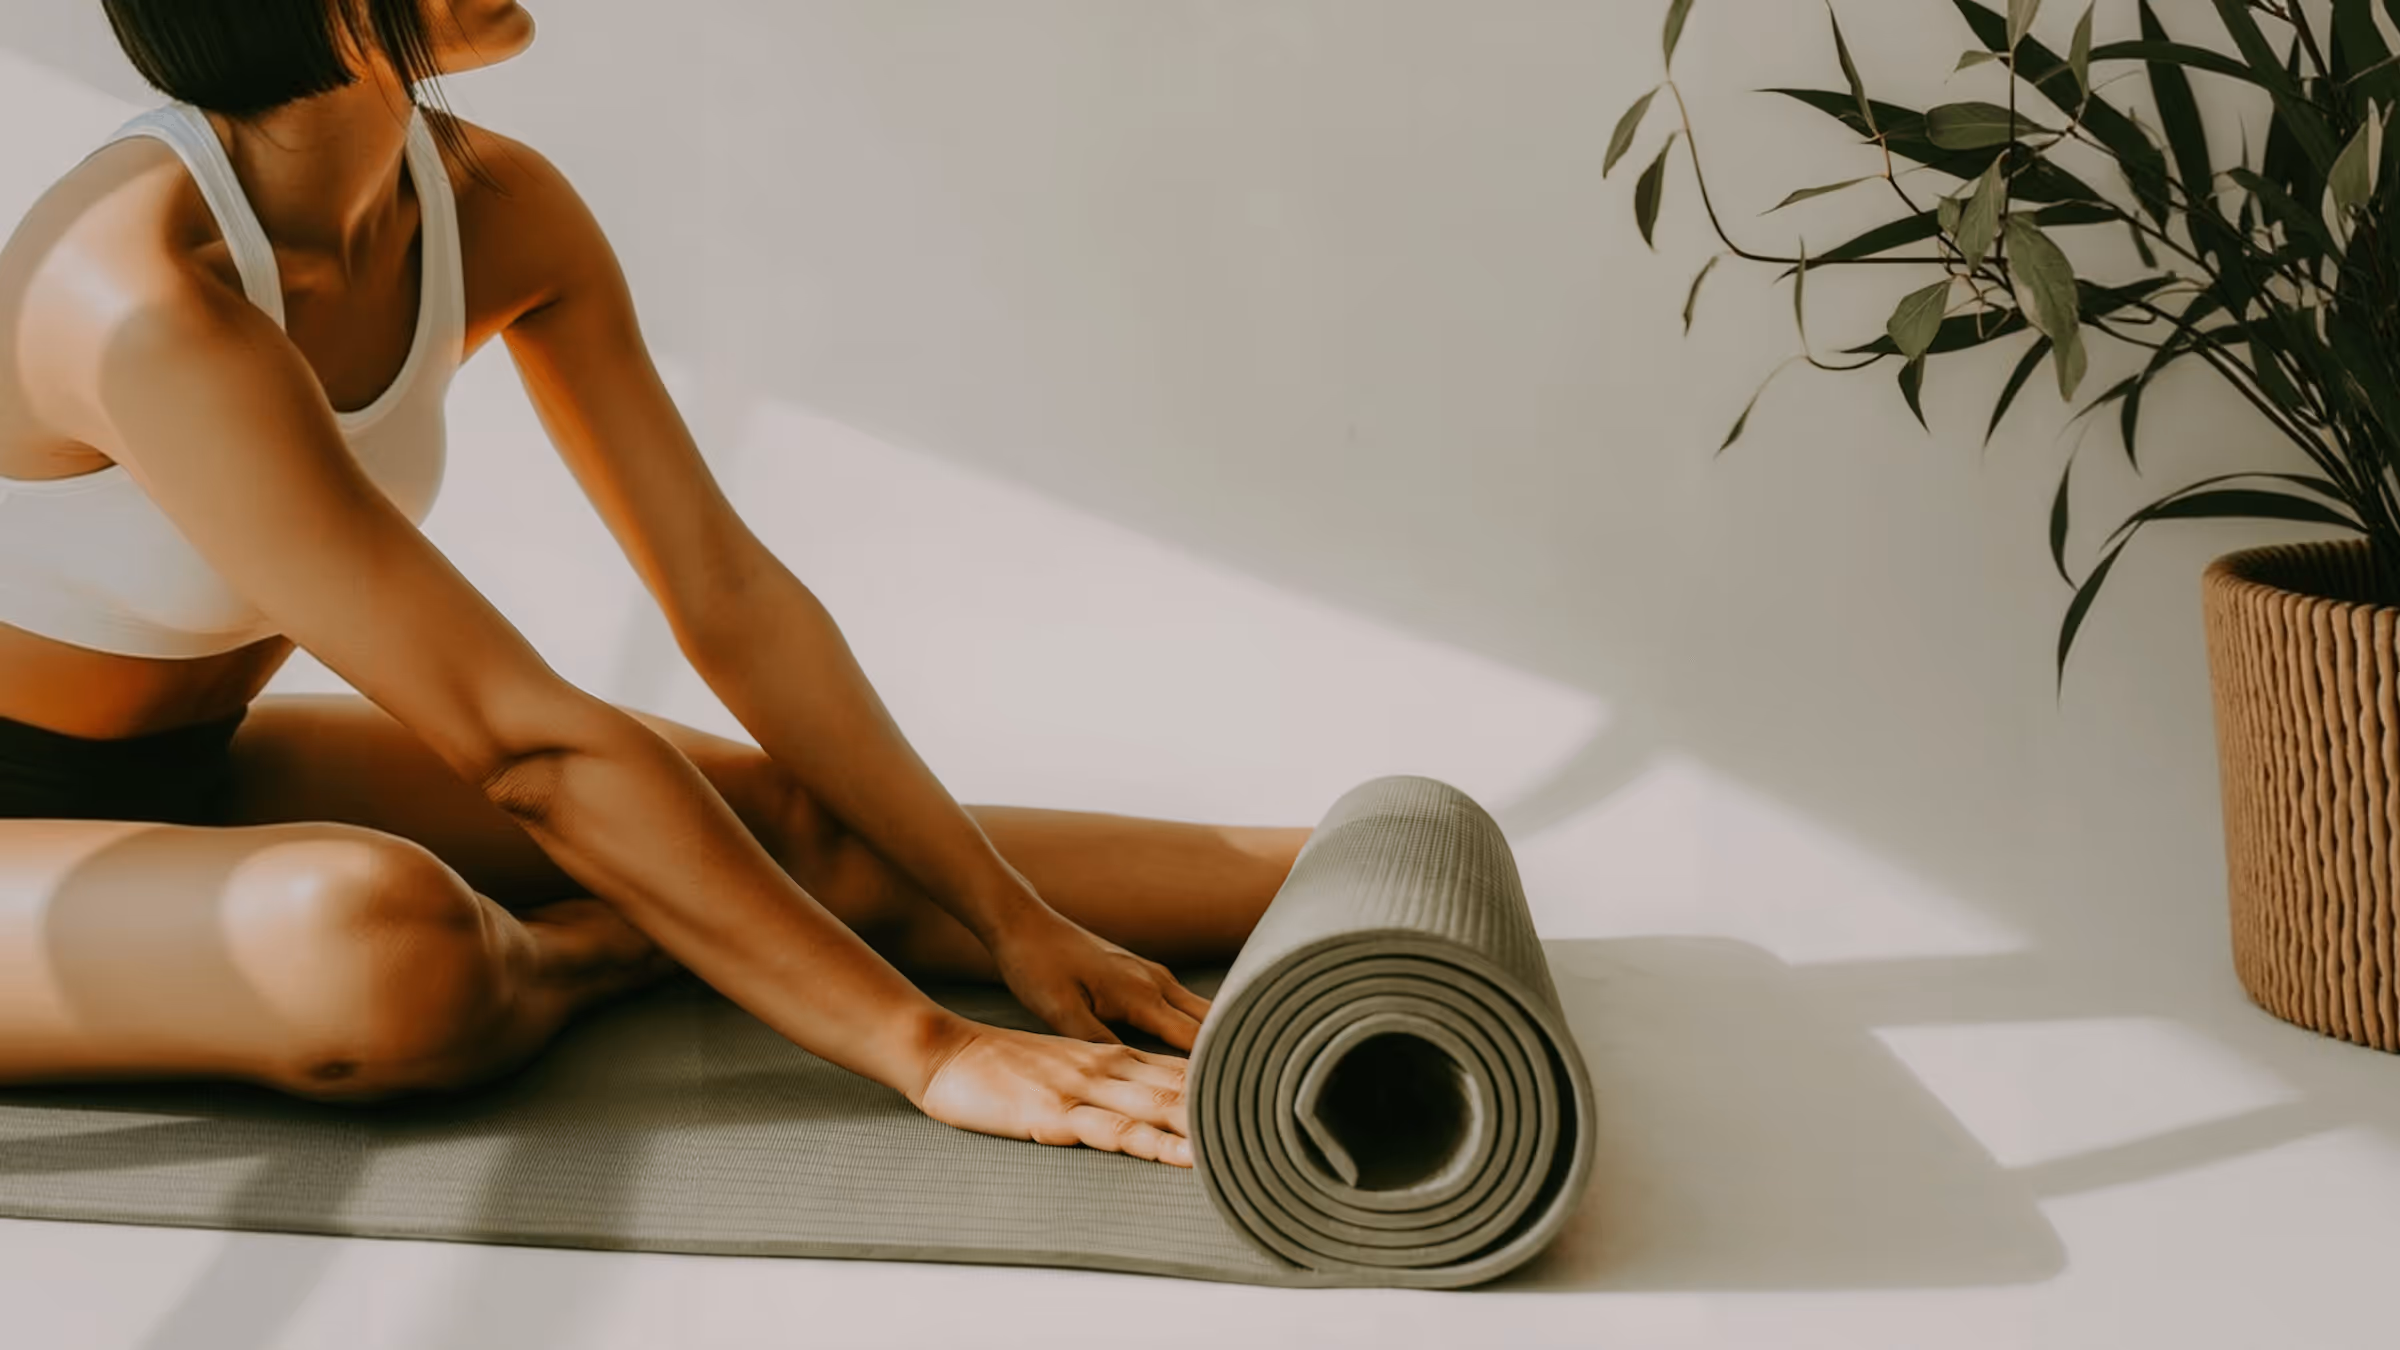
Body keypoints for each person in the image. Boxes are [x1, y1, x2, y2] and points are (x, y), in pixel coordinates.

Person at [0, 0, 1311, 1171]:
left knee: (792, 822)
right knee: (381, 945)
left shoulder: (494, 208)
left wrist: (1019, 922)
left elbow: (724, 587)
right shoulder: (142, 298)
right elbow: (521, 745)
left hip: (190, 771)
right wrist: (932, 1048)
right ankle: (614, 941)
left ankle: (1317, 859)